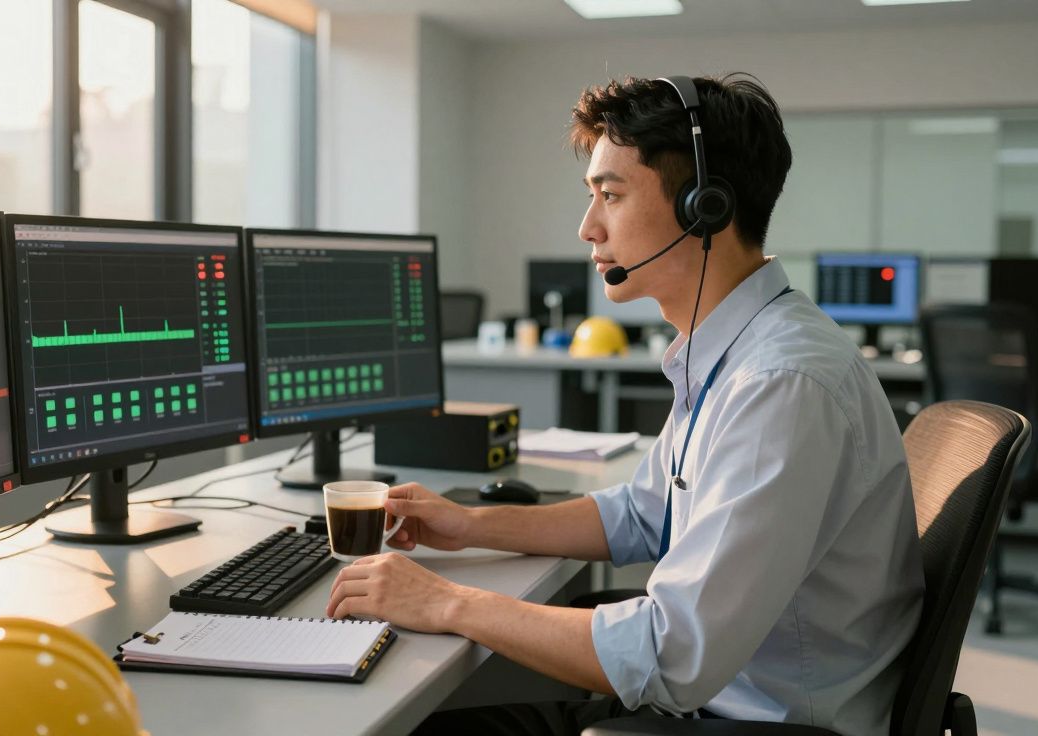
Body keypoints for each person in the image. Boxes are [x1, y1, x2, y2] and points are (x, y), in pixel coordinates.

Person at [325, 74, 924, 735]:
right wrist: (471, 525)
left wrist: (445, 602)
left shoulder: (778, 384)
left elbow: (673, 654)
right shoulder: (732, 350)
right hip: (728, 697)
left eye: (610, 195)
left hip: (756, 722)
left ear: (705, 209)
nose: (588, 227)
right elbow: (640, 515)